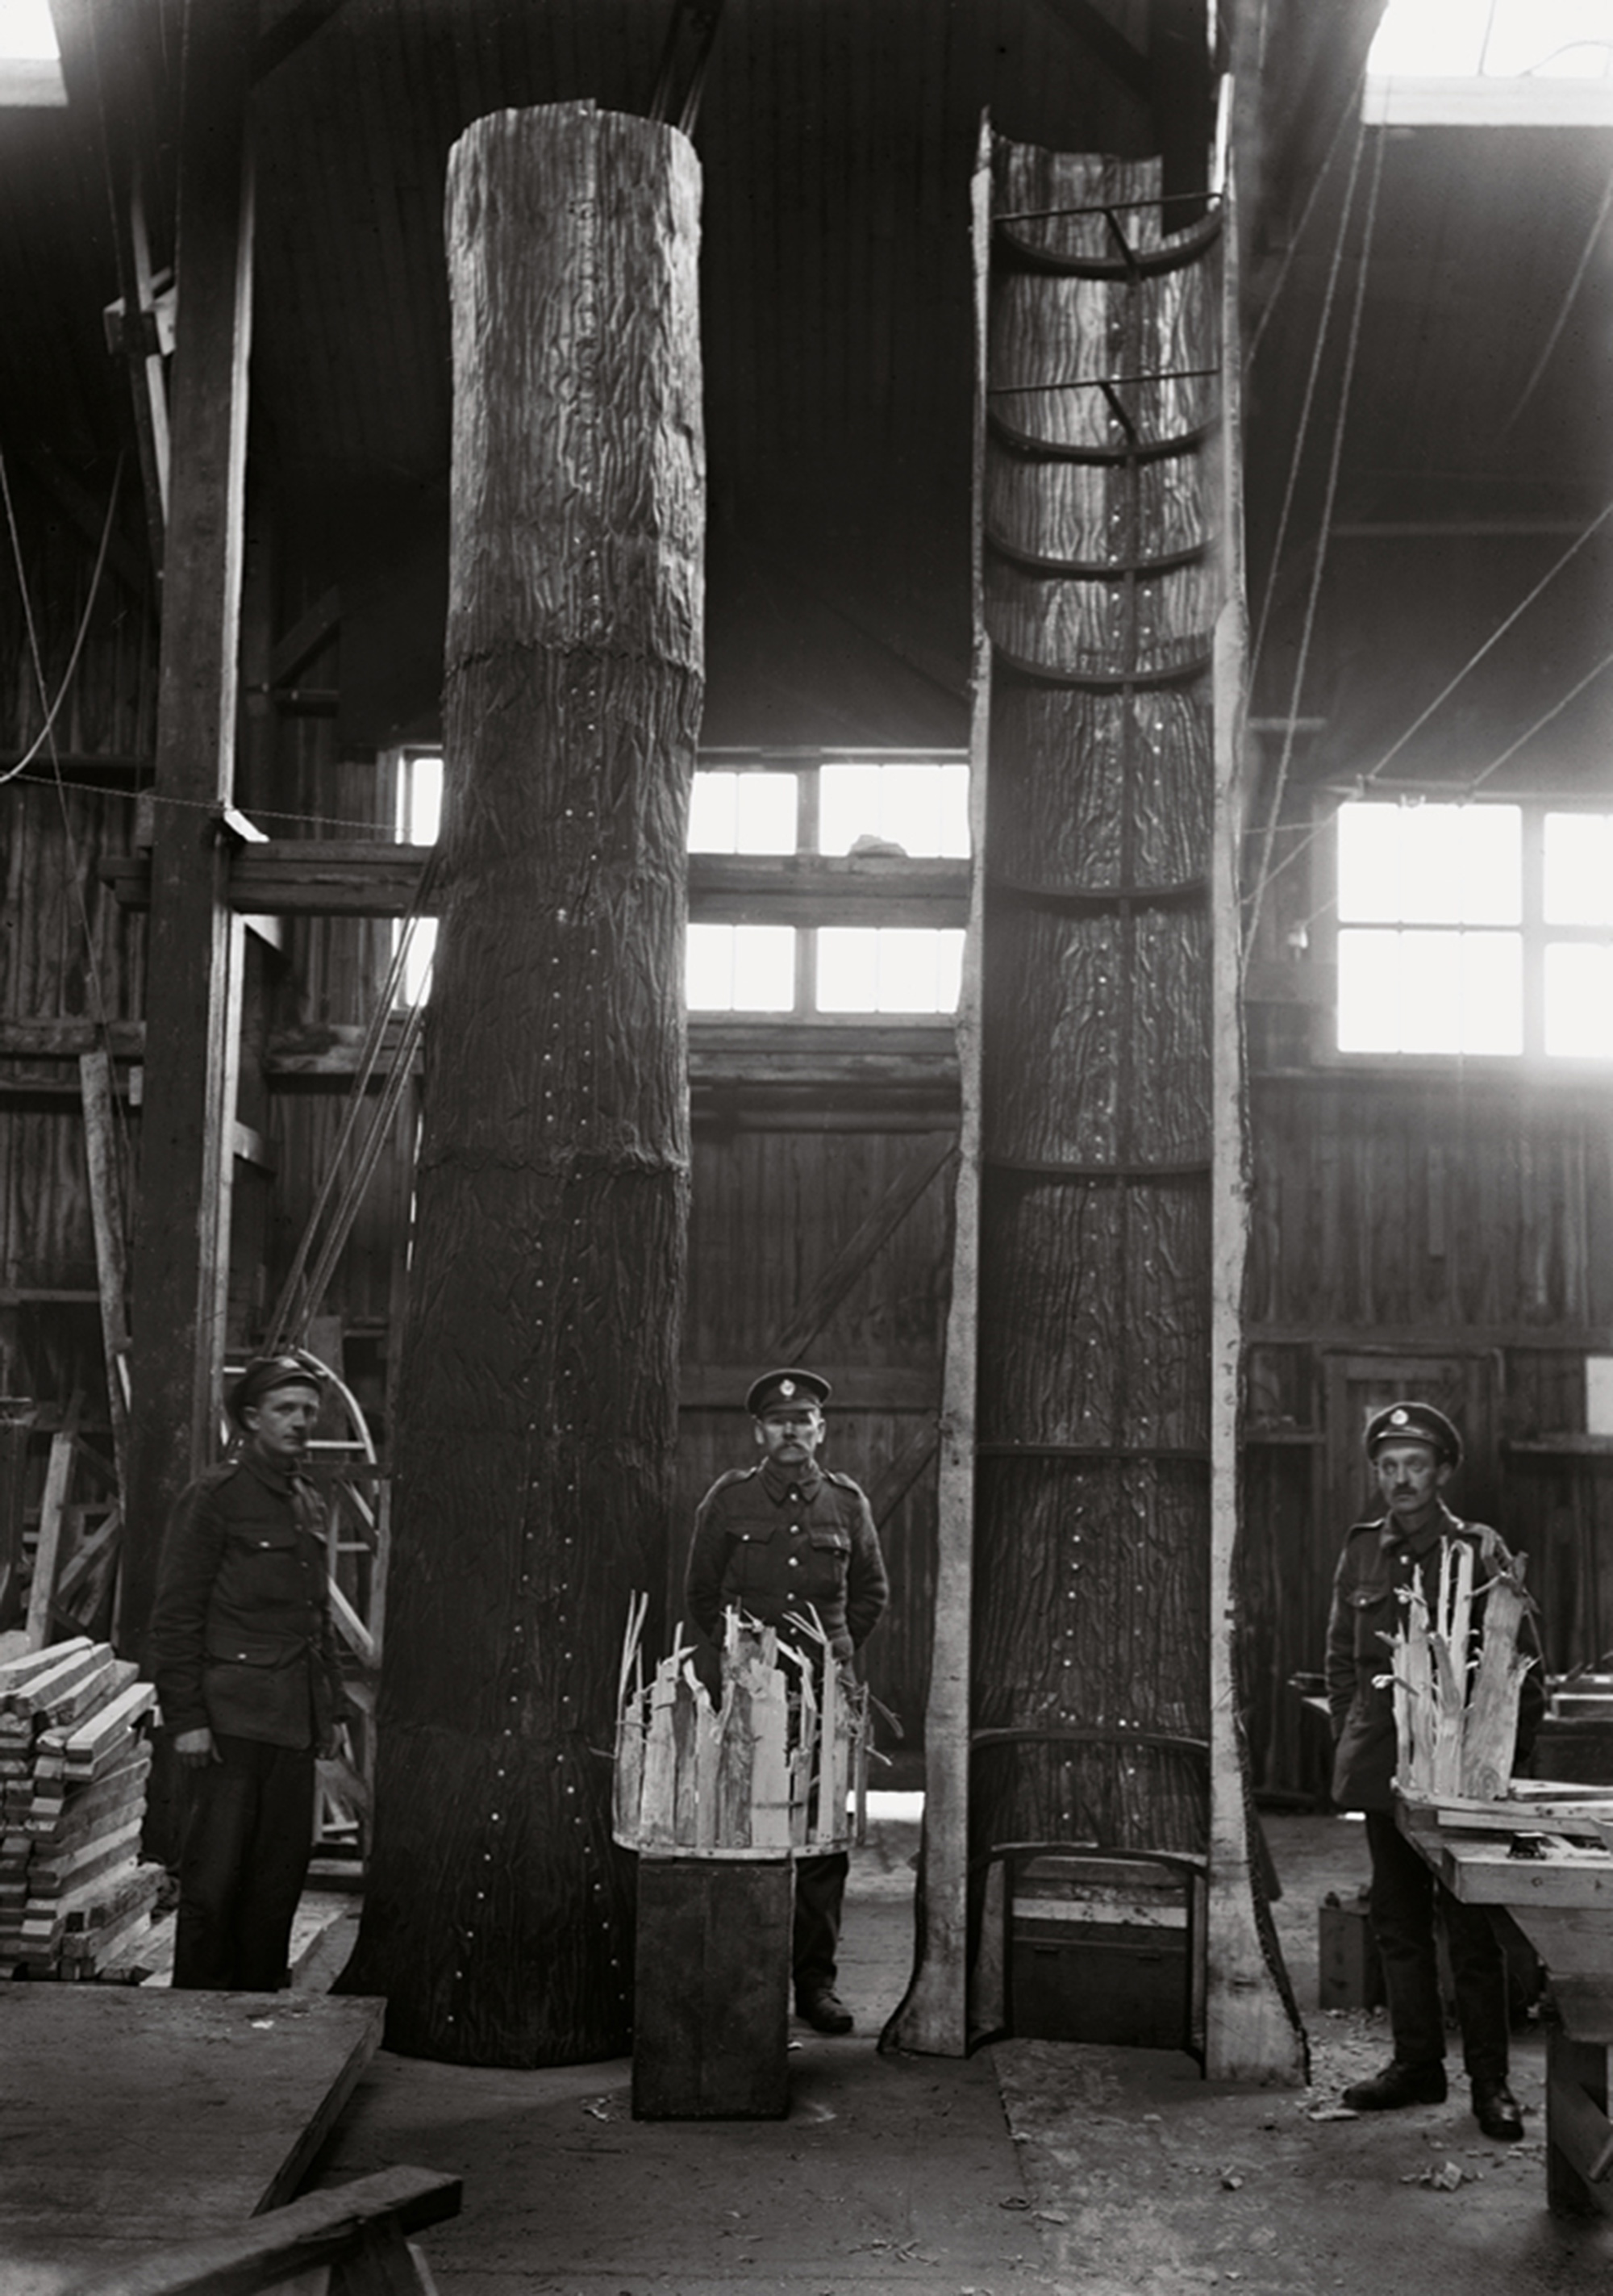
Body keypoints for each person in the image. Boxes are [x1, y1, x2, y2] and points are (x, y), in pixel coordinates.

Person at [1325, 1400, 1544, 2140]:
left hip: (1459, 1778)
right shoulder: (1361, 1553)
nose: (1401, 1480)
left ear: (1443, 1470)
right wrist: (1356, 1743)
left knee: (1471, 1933)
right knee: (1398, 1925)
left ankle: (1491, 2085)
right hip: (1385, 1774)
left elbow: (1522, 1668)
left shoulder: (1479, 1552)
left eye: (1415, 1465)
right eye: (1388, 1467)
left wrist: (1499, 1773)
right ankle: (1417, 2068)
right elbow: (1341, 1665)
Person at [686, 1367, 890, 2035]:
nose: (791, 1431)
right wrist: (743, 1659)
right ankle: (749, 1977)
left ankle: (815, 1985)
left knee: (824, 1842)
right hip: (752, 1695)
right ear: (760, 1432)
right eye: (779, 1422)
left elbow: (870, 1594)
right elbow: (700, 1593)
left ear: (820, 1431)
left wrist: (831, 1654)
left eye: (803, 1422)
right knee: (748, 1832)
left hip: (825, 1697)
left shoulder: (847, 1504)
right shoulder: (729, 1500)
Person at [146, 1354, 347, 1990]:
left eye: (309, 1411)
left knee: (277, 1880)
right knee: (213, 1881)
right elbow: (175, 1617)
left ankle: (258, 2014)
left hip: (291, 1722)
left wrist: (332, 1712)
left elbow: (316, 1621)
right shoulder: (215, 1497)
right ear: (252, 1418)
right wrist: (187, 1720)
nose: (300, 1422)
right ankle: (199, 2014)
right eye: (286, 1410)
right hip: (228, 1724)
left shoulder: (305, 1502)